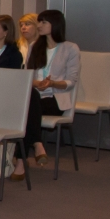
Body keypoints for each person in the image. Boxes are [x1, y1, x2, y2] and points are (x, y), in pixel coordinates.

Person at [20, 9, 79, 164]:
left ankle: (21, 159)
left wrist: (52, 83)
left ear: (55, 24)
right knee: (31, 101)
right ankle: (36, 144)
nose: (39, 25)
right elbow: (27, 76)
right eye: (39, 22)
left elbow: (72, 81)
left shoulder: (70, 48)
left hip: (56, 99)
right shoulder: (34, 46)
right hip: (35, 97)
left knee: (24, 111)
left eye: (43, 22)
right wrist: (37, 83)